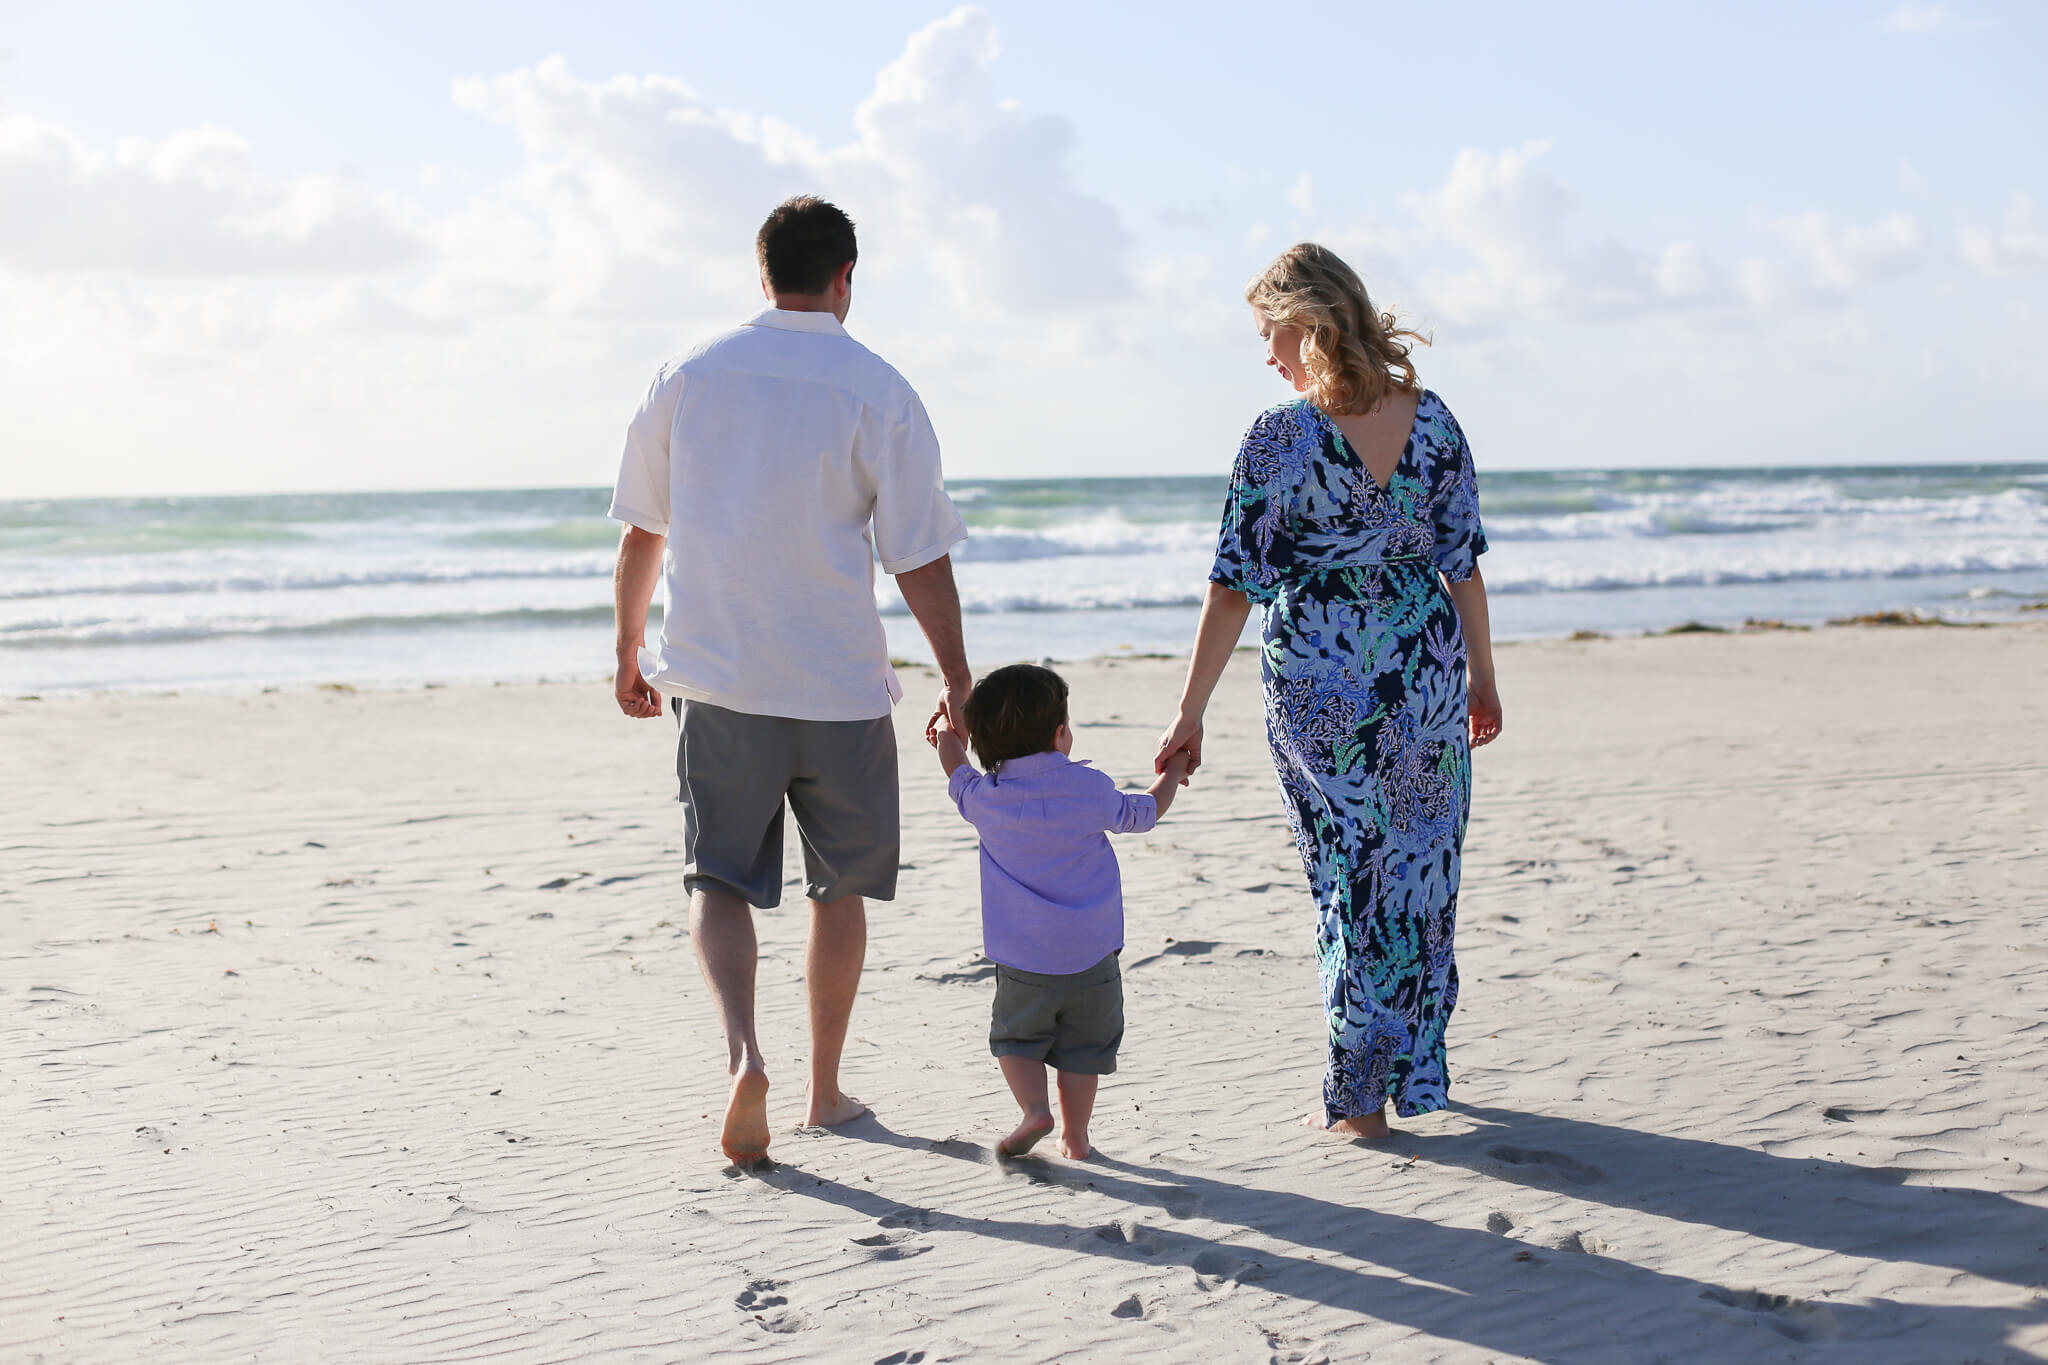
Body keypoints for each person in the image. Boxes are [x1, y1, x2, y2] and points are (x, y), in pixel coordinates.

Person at [609, 196, 973, 1167]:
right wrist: (958, 678)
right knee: (838, 888)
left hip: (718, 677)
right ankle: (820, 1090)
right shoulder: (876, 388)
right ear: (845, 279)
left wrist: (625, 649)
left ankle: (742, 1058)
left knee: (717, 877)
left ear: (760, 272)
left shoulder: (686, 374)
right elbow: (917, 554)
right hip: (838, 684)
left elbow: (644, 528)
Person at [1153, 243, 1502, 1140]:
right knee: (1415, 872)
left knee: (1358, 876)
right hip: (1425, 676)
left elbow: (1235, 584)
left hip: (1325, 688)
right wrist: (1482, 678)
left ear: (1306, 322)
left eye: (1269, 332)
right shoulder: (1436, 423)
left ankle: (1360, 1098)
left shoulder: (1280, 437)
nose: (1265, 354)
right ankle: (1402, 1073)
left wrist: (1189, 710)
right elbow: (1461, 568)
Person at [931, 663, 1192, 1160]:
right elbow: (1146, 812)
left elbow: (953, 762)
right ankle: (1077, 1138)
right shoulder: (1090, 789)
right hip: (1092, 954)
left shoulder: (984, 799)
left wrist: (945, 727)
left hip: (1023, 957)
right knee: (1083, 1052)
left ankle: (1034, 1111)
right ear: (1058, 735)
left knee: (1016, 1040)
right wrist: (1174, 769)